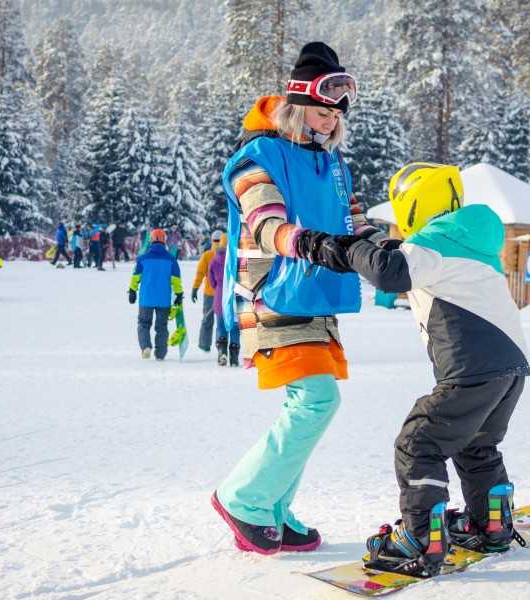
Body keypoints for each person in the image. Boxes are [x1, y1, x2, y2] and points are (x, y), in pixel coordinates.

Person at [297, 163, 530, 576]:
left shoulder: (435, 241)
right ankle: (491, 524)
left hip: (470, 371)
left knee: (418, 443)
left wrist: (339, 247)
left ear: (414, 202)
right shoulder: (463, 236)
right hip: (508, 371)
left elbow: (390, 270)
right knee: (476, 446)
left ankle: (422, 540)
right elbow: (398, 255)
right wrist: (363, 231)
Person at [211, 41, 386, 555]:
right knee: (316, 400)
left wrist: (391, 248)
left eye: (336, 113)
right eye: (320, 109)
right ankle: (242, 498)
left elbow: (354, 221)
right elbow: (264, 221)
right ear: (295, 104)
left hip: (316, 294)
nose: (329, 121)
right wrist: (304, 241)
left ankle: (273, 510)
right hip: (273, 292)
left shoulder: (333, 165)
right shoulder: (256, 155)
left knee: (309, 402)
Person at [128, 228, 183, 360]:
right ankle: (161, 353)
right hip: (163, 299)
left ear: (151, 240)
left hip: (146, 298)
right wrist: (179, 294)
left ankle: (146, 347)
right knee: (162, 327)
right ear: (164, 241)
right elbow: (176, 280)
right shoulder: (171, 260)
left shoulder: (142, 259)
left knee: (143, 324)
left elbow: (136, 277)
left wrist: (132, 291)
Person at [208, 236, 240, 366]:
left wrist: (219, 287)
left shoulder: (214, 261)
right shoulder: (238, 260)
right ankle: (234, 357)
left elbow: (211, 282)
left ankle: (222, 353)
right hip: (234, 298)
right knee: (234, 328)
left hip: (220, 297)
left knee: (221, 327)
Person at [191, 230, 222, 353]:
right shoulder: (229, 255)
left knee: (207, 320)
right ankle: (221, 343)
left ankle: (204, 344)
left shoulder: (207, 255)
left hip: (209, 293)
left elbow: (200, 274)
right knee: (222, 321)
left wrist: (195, 288)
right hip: (222, 293)